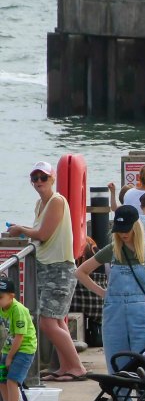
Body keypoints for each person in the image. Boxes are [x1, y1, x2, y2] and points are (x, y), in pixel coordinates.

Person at [7, 162, 86, 380]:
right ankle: (64, 366)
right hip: (47, 267)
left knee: (47, 322)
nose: (39, 182)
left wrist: (21, 230)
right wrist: (24, 230)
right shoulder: (39, 204)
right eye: (35, 178)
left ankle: (77, 367)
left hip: (59, 267)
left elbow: (43, 234)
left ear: (52, 179)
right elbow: (40, 233)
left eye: (43, 177)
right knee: (58, 320)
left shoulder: (57, 201)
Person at [76, 205, 145, 373]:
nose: (123, 234)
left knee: (144, 361)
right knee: (117, 360)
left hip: (142, 314)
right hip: (114, 313)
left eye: (127, 229)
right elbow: (80, 272)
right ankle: (120, 397)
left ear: (136, 226)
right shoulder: (112, 250)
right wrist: (104, 293)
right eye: (119, 230)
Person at [0, 277, 36, 401]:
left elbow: (19, 337)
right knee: (2, 380)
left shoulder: (18, 310)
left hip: (24, 349)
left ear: (12, 296)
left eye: (0, 297)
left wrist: (9, 357)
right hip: (8, 348)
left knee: (12, 381)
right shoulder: (2, 308)